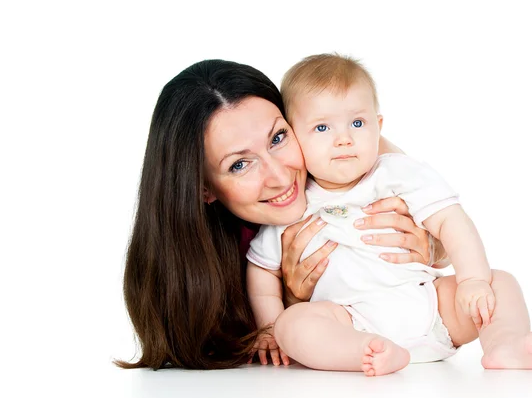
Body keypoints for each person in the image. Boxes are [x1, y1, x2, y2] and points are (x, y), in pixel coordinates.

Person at [246, 54, 532, 376]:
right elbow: (261, 272)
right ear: (294, 137)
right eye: (322, 127)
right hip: (351, 322)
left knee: (501, 283)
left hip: (432, 310)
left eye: (357, 123)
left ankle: (504, 345)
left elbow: (452, 221)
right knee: (293, 324)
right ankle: (363, 353)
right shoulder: (294, 203)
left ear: (378, 126)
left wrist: (473, 280)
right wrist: (270, 328)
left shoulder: (398, 174)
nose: (344, 138)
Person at [116, 59, 441, 370]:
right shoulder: (202, 270)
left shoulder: (341, 157)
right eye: (239, 165)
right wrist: (290, 303)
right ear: (202, 189)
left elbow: (426, 199)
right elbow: (209, 348)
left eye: (278, 137)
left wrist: (431, 246)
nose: (280, 177)